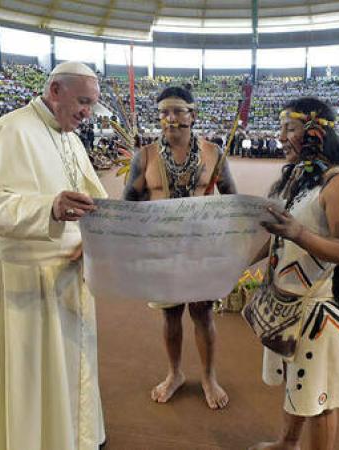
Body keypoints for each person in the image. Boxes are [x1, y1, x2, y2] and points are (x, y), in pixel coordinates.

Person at [0, 61, 107, 450]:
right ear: (56, 91)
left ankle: (73, 438)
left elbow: (94, 198)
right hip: (25, 278)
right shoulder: (10, 130)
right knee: (32, 376)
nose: (88, 113)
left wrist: (102, 233)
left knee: (68, 368)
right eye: (83, 102)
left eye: (92, 104)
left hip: (70, 273)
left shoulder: (69, 136)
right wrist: (49, 209)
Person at [248, 97, 339, 450]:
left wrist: (299, 233)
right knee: (298, 383)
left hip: (320, 309)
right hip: (291, 305)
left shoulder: (338, 184)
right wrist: (239, 261)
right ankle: (287, 443)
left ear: (315, 131)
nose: (281, 136)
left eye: (290, 128)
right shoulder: (300, 177)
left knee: (321, 399)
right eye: (281, 128)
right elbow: (279, 238)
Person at [123, 86, 236, 409]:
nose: (169, 118)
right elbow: (128, 203)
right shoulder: (144, 156)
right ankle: (174, 373)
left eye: (177, 111)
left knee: (203, 313)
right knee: (171, 315)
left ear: (192, 114)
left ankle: (208, 376)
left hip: (201, 249)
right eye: (163, 113)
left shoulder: (214, 154)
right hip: (163, 250)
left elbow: (231, 199)